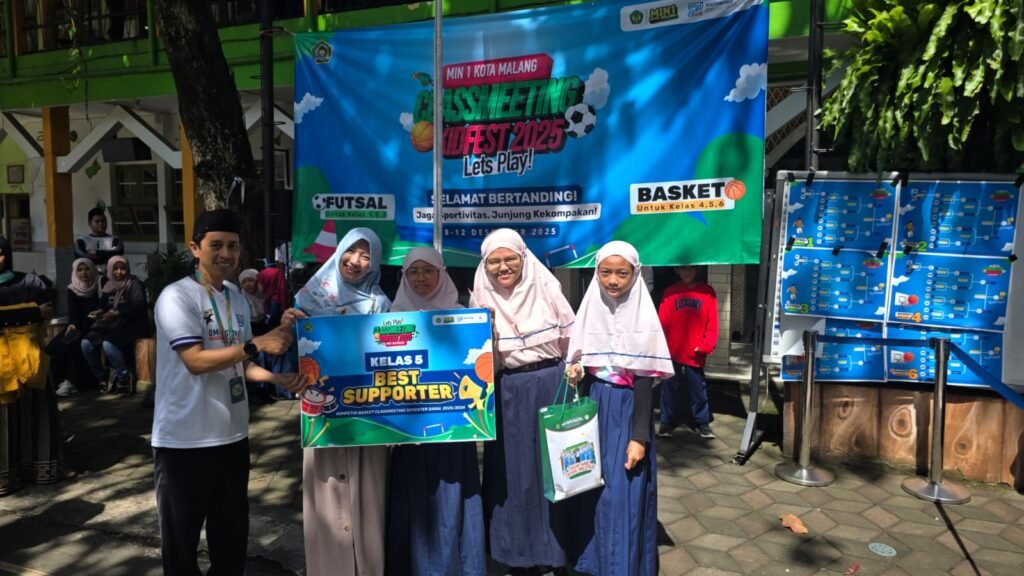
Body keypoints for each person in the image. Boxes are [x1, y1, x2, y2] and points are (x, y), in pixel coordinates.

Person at [151, 210, 303, 576]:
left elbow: (239, 364)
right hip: (184, 440)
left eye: (233, 246)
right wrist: (257, 344)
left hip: (232, 437)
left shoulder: (235, 297)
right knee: (181, 547)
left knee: (231, 542)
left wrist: (278, 378)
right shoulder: (177, 296)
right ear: (195, 248)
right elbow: (195, 361)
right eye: (216, 245)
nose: (226, 254)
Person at [470, 228, 576, 574]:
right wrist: (485, 329)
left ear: (523, 258)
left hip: (550, 385)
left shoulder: (547, 288)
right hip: (508, 392)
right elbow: (476, 359)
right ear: (484, 265)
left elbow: (571, 341)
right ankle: (518, 554)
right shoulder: (481, 300)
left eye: (510, 259)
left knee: (555, 468)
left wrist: (572, 372)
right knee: (514, 473)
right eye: (494, 262)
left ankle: (557, 549)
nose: (503, 267)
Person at [290, 227, 392, 576]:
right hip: (322, 412)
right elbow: (293, 352)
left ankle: (368, 566)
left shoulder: (381, 304)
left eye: (366, 255)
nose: (356, 261)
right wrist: (288, 326)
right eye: (351, 251)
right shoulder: (310, 298)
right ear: (339, 252)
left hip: (367, 412)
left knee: (368, 492)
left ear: (374, 262)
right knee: (326, 489)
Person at [565, 241, 671, 576]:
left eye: (622, 273)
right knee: (589, 485)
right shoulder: (590, 309)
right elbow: (582, 361)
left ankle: (622, 566)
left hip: (627, 409)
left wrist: (639, 436)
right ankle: (593, 562)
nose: (613, 280)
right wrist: (576, 370)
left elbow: (644, 381)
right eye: (605, 272)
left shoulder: (643, 317)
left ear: (635, 274)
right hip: (593, 405)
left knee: (623, 491)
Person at [385, 247, 486, 576]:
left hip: (453, 433)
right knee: (413, 500)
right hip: (409, 435)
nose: (421, 278)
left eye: (428, 270)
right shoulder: (389, 319)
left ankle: (458, 565)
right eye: (413, 272)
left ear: (442, 273)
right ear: (404, 277)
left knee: (453, 495)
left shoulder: (464, 316)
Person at [0, 235, 63, 496]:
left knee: (39, 415)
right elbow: (38, 310)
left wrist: (15, 315)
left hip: (32, 360)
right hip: (1, 367)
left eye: (0, 252)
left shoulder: (29, 281)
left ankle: (42, 470)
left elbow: (47, 308)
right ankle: (6, 477)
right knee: (4, 422)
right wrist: (29, 312)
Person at [657, 265, 719, 439]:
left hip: (695, 351)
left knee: (698, 388)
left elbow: (712, 322)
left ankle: (702, 422)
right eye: (683, 269)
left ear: (697, 269)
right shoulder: (671, 292)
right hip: (672, 349)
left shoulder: (707, 292)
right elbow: (662, 321)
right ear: (677, 270)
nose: (687, 272)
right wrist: (660, 345)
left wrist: (706, 345)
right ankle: (666, 421)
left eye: (690, 268)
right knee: (669, 387)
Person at [80, 255, 148, 395]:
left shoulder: (134, 284)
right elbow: (103, 305)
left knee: (109, 344)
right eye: (115, 269)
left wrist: (118, 312)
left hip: (131, 324)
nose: (119, 272)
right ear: (110, 270)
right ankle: (103, 376)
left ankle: (124, 377)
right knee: (86, 343)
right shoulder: (108, 284)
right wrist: (99, 311)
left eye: (122, 268)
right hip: (110, 324)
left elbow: (138, 306)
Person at [52, 258, 103, 397]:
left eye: (87, 269)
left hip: (94, 326)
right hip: (77, 326)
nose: (83, 272)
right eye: (80, 270)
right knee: (55, 347)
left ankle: (72, 382)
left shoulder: (99, 286)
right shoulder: (72, 288)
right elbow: (73, 311)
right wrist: (73, 325)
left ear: (92, 270)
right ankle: (61, 381)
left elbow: (102, 307)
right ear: (75, 272)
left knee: (71, 346)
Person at [74, 206, 124, 275]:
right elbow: (83, 260)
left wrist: (96, 252)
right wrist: (107, 256)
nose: (101, 224)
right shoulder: (81, 241)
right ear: (89, 223)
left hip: (110, 277)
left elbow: (117, 255)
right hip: (88, 277)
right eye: (97, 221)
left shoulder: (115, 240)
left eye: (103, 221)